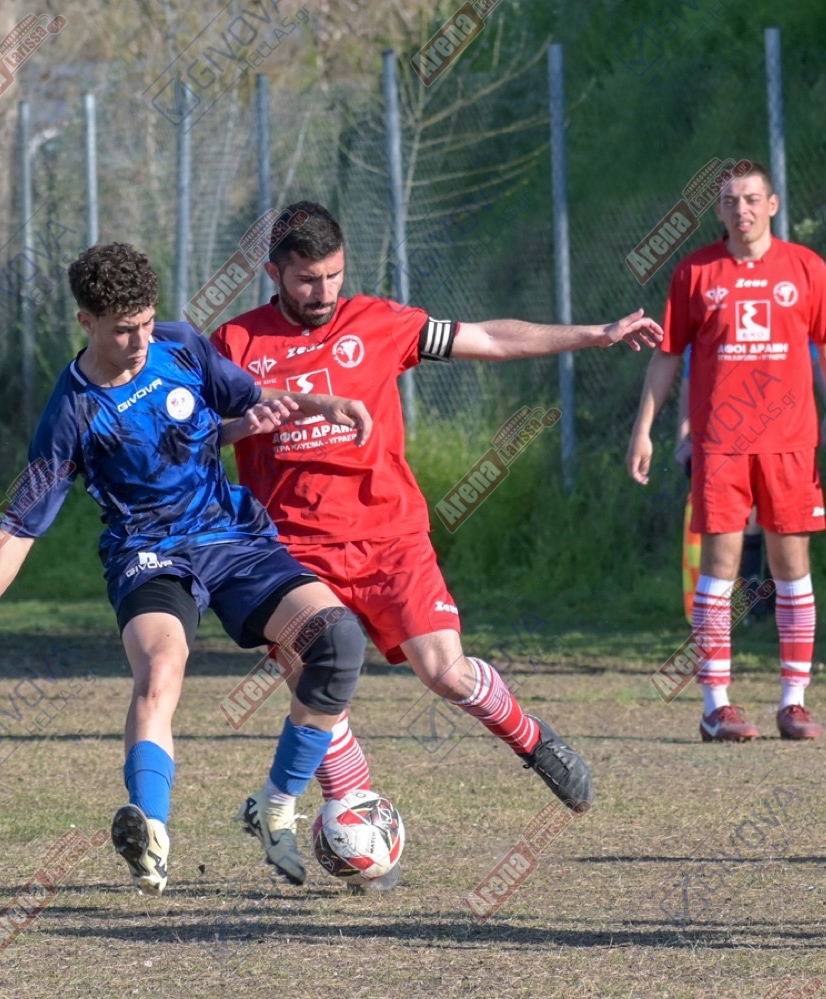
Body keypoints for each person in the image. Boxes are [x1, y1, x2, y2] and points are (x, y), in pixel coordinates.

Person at [0, 242, 376, 894]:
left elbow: (245, 399)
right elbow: (22, 525)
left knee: (337, 641)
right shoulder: (72, 410)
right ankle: (151, 832)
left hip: (230, 534)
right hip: (148, 554)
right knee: (161, 670)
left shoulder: (180, 345)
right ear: (86, 321)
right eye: (122, 329)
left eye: (145, 321)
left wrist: (319, 405)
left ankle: (275, 804)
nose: (140, 340)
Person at [211, 201, 662, 828]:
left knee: (446, 673)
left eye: (334, 275)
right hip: (292, 552)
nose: (324, 292)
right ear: (274, 273)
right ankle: (356, 817)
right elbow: (196, 436)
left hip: (389, 535)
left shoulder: (379, 322)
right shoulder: (234, 344)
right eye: (307, 279)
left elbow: (490, 338)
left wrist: (596, 334)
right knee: (317, 686)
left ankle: (532, 739)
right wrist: (247, 424)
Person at [627, 162, 826, 742]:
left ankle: (794, 703)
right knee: (720, 569)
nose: (742, 209)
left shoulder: (806, 268)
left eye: (752, 198)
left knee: (792, 568)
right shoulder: (695, 273)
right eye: (731, 200)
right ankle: (716, 707)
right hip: (721, 444)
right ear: (719, 210)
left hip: (790, 443)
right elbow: (667, 356)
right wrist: (644, 429)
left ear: (772, 204)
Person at [676, 342, 826, 625]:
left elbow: (820, 358)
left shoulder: (791, 317)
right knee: (739, 521)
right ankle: (750, 596)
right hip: (726, 439)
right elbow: (688, 379)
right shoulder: (706, 319)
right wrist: (684, 438)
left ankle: (774, 597)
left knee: (783, 526)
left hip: (785, 437)